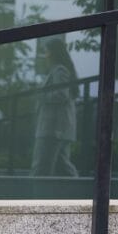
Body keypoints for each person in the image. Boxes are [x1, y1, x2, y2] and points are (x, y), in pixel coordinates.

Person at [31, 38, 78, 177]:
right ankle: (82, 190)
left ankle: (35, 195)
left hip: (53, 128)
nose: (45, 56)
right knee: (62, 165)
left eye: (46, 52)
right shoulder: (58, 70)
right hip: (57, 128)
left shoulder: (59, 70)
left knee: (41, 165)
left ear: (52, 53)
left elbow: (61, 95)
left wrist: (41, 95)